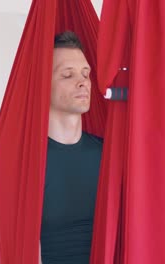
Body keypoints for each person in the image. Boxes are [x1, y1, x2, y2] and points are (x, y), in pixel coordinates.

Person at [40, 31, 103, 264]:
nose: (82, 81)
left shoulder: (107, 156)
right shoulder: (29, 164)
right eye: (68, 75)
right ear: (43, 84)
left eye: (85, 74)